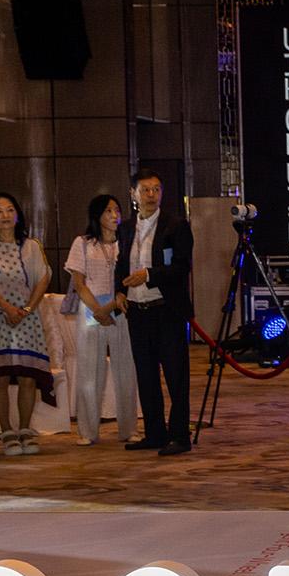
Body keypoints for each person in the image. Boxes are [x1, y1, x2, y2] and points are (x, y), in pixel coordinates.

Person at [115, 167, 194, 457]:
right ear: (133, 194)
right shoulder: (126, 228)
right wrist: (120, 291)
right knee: (146, 375)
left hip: (167, 311)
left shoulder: (176, 225)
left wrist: (148, 274)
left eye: (156, 189)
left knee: (175, 376)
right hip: (138, 312)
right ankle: (155, 433)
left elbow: (182, 267)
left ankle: (180, 436)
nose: (151, 195)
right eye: (145, 190)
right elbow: (121, 265)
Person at [0, 191, 54, 456]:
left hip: (27, 317)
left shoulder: (31, 246)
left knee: (27, 376)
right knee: (0, 377)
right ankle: (7, 431)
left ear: (18, 214)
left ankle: (25, 428)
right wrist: (6, 308)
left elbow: (43, 278)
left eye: (10, 210)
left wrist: (26, 309)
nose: (5, 216)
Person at [64, 194, 139, 446]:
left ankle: (129, 428)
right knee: (89, 372)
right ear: (97, 215)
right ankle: (87, 431)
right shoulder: (83, 243)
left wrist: (111, 308)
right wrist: (99, 310)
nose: (115, 215)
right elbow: (79, 283)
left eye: (117, 210)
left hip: (121, 308)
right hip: (91, 310)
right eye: (108, 211)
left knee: (126, 370)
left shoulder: (127, 243)